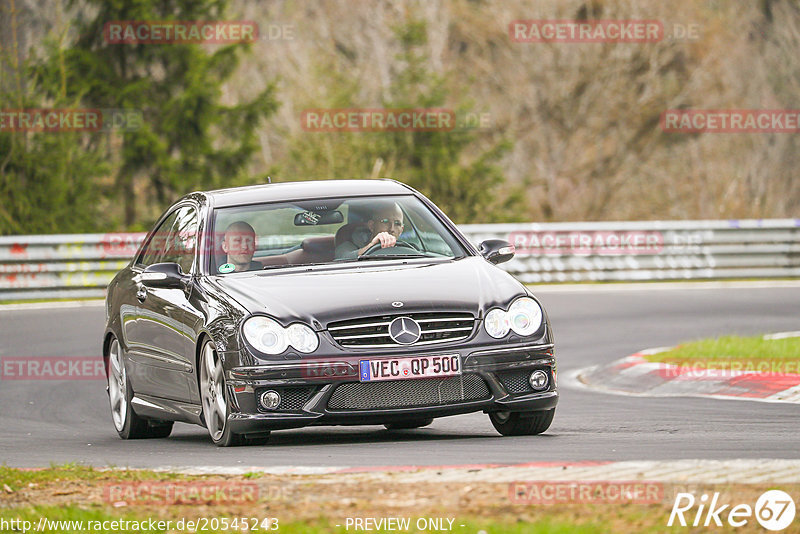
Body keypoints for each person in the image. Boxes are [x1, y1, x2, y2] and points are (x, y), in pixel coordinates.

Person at [335, 202, 405, 259]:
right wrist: (372, 246)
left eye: (397, 223)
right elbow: (342, 258)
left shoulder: (408, 249)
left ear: (401, 230)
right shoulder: (349, 244)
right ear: (371, 226)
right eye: (385, 221)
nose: (392, 229)